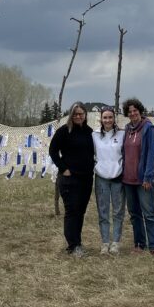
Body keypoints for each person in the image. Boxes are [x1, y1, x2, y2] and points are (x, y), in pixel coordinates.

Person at [48, 101, 95, 257]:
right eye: (75, 114)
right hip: (70, 179)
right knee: (72, 211)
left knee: (80, 212)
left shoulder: (89, 132)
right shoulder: (64, 131)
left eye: (81, 113)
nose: (78, 116)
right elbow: (53, 151)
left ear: (85, 115)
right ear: (71, 115)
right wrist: (63, 168)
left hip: (86, 179)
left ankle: (78, 242)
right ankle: (72, 246)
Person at [121, 98, 154, 255]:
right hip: (128, 179)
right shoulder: (126, 129)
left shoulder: (148, 128)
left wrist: (148, 177)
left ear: (140, 111)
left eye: (135, 110)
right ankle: (139, 244)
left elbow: (152, 155)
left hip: (143, 180)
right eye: (130, 111)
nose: (133, 113)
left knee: (149, 213)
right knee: (134, 215)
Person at [92, 107, 125, 255]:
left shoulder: (122, 134)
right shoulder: (94, 135)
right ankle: (105, 242)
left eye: (110, 117)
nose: (107, 120)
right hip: (101, 178)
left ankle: (115, 243)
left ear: (114, 119)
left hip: (118, 178)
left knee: (118, 211)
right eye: (105, 118)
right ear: (101, 119)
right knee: (103, 212)